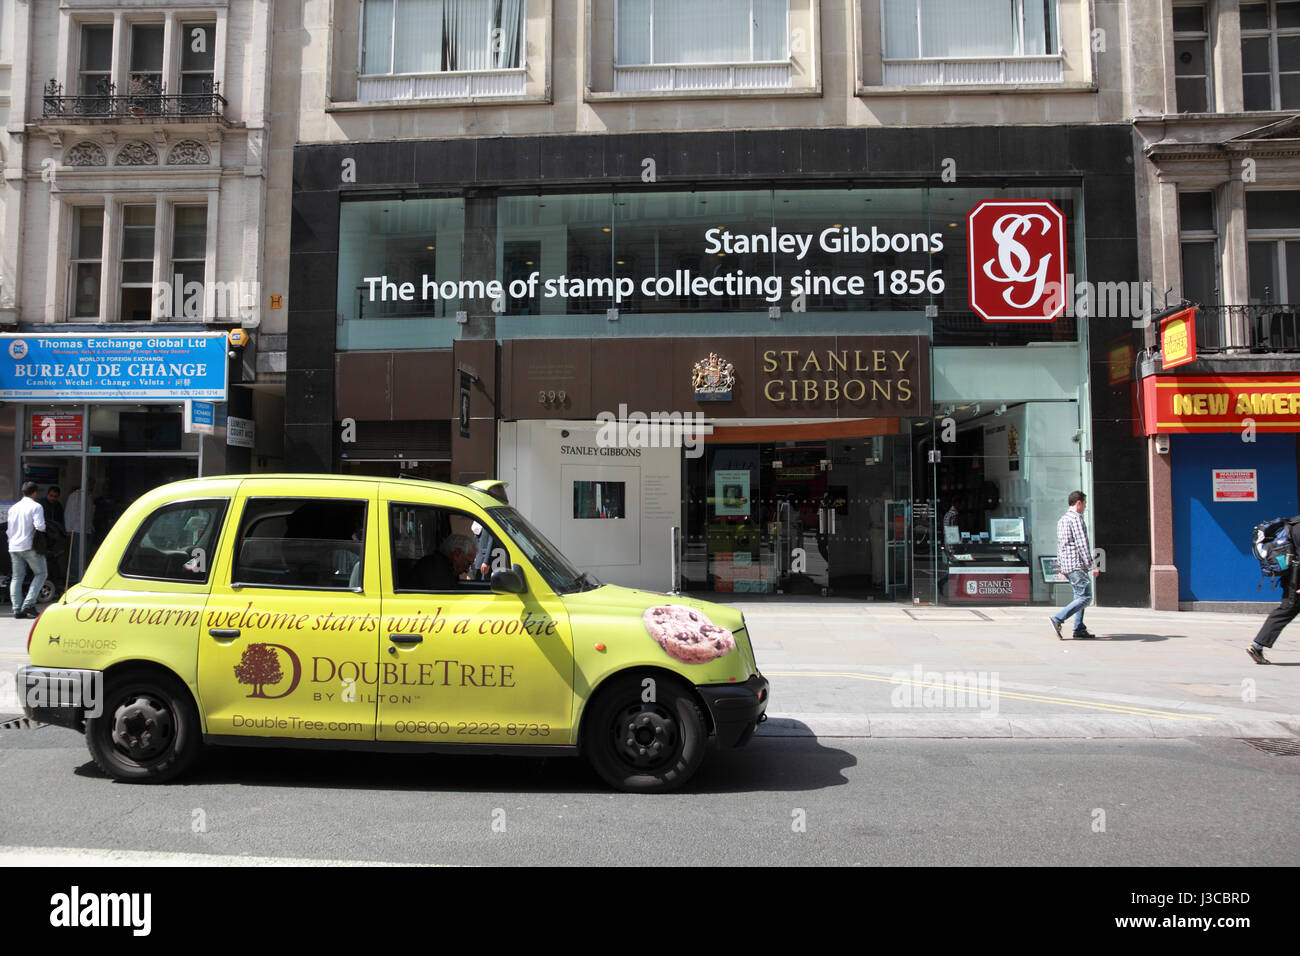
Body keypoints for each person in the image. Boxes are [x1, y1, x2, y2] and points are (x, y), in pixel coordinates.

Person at [1247, 515, 1300, 664]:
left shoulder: (1294, 523)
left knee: (1287, 609)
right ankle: (1257, 645)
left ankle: (1257, 645)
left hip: (1291, 577)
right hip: (1296, 579)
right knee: (1286, 609)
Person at [1049, 490, 1099, 640]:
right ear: (1078, 503)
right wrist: (1092, 566)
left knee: (1079, 596)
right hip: (1077, 565)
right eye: (1084, 503)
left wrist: (1061, 567)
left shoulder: (1062, 519)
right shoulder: (1076, 519)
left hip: (1068, 565)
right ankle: (1058, 618)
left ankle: (1079, 628)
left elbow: (1061, 545)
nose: (1085, 507)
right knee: (1085, 597)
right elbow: (1082, 544)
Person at [7, 482, 48, 619]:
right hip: (29, 546)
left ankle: (17, 609)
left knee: (17, 577)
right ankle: (28, 604)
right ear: (35, 493)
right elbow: (40, 526)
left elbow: (9, 529)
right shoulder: (36, 506)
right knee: (41, 573)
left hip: (13, 546)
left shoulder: (13, 508)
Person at [469, 480, 509, 580]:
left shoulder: (495, 514)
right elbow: (477, 536)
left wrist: (486, 561)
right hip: (480, 557)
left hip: (487, 560)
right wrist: (473, 554)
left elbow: (493, 538)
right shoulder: (485, 511)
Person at [64, 482, 94, 582]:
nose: (92, 486)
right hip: (76, 530)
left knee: (84, 554)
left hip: (87, 530)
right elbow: (69, 513)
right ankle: (73, 577)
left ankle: (80, 576)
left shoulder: (89, 496)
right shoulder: (75, 496)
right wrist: (69, 529)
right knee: (76, 555)